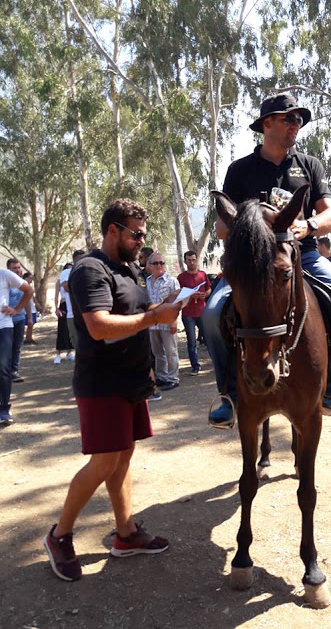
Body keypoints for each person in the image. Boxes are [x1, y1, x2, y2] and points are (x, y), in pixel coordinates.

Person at [203, 93, 331, 428]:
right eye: (288, 119)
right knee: (210, 315)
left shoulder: (310, 165)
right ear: (267, 124)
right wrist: (247, 223)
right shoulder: (240, 170)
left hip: (303, 255)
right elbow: (222, 227)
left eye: (298, 120)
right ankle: (229, 394)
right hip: (251, 263)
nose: (296, 125)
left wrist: (307, 225)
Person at [43, 198, 182, 582]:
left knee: (122, 457)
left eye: (143, 233)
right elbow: (100, 327)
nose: (142, 241)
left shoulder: (128, 268)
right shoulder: (89, 269)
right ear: (113, 231)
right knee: (104, 461)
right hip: (101, 382)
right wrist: (154, 316)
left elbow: (132, 317)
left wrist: (169, 307)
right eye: (136, 234)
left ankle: (125, 534)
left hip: (131, 379)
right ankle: (59, 535)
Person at [1, 266, 33, 425]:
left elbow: (29, 290)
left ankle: (4, 409)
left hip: (3, 327)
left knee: (3, 368)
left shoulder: (4, 274)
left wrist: (17, 309)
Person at [146, 252, 180, 391]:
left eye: (162, 262)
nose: (159, 265)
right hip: (152, 323)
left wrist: (174, 321)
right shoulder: (147, 281)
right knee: (157, 351)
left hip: (168, 321)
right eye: (156, 263)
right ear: (150, 265)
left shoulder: (172, 281)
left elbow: (179, 302)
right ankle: (162, 377)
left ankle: (173, 378)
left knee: (171, 350)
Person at [177, 250, 212, 375]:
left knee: (208, 338)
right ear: (185, 261)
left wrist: (204, 295)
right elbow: (178, 294)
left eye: (193, 260)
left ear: (196, 260)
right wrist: (190, 296)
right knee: (191, 341)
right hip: (188, 313)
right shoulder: (181, 277)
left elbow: (208, 289)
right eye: (189, 260)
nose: (191, 262)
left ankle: (215, 362)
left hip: (202, 312)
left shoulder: (203, 274)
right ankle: (195, 366)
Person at [7, 258, 32, 383]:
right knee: (6, 346)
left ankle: (14, 371)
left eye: (18, 267)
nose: (17, 270)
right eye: (14, 268)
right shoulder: (6, 283)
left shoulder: (23, 283)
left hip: (20, 318)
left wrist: (30, 318)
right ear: (8, 270)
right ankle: (5, 371)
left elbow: (26, 301)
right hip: (6, 320)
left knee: (17, 346)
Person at [59, 249, 86, 354]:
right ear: (74, 261)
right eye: (81, 259)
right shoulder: (67, 272)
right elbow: (66, 287)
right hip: (73, 314)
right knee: (76, 341)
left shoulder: (90, 271)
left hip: (88, 313)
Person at [53, 264, 74, 364]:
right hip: (64, 306)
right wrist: (56, 308)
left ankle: (69, 352)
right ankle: (58, 354)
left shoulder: (74, 280)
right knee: (62, 329)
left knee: (71, 330)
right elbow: (56, 295)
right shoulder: (60, 281)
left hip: (73, 306)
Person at [22, 272, 42, 344]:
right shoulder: (22, 285)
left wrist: (37, 304)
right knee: (27, 323)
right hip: (25, 308)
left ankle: (29, 338)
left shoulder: (29, 286)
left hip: (31, 307)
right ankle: (26, 339)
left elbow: (32, 296)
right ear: (25, 278)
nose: (31, 279)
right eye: (30, 278)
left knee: (31, 324)